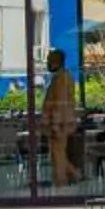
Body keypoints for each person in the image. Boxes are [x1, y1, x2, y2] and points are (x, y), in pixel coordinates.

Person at [42, 47, 82, 186]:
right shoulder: (65, 77)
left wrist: (55, 125)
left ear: (56, 62)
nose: (46, 64)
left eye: (49, 61)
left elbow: (60, 103)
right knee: (58, 152)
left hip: (60, 123)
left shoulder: (61, 79)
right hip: (62, 122)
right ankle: (72, 175)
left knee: (57, 154)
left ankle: (62, 181)